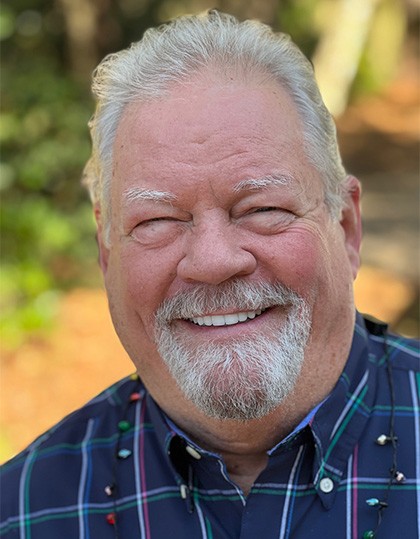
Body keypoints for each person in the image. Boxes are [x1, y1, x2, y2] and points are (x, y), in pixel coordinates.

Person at [1, 10, 419, 539]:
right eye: (157, 221)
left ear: (347, 225)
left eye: (262, 209)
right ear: (107, 255)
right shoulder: (23, 511)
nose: (214, 262)